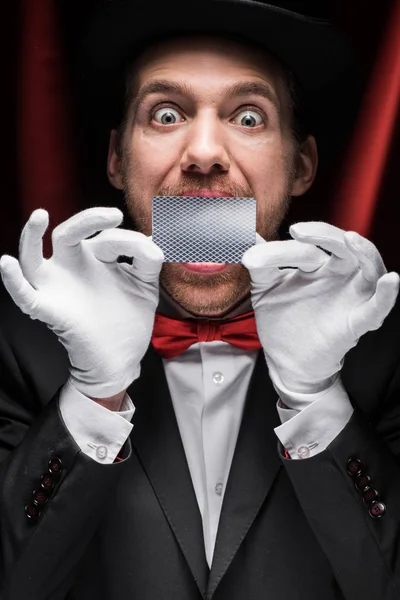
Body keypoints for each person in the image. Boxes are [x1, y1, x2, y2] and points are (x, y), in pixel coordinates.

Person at [1, 1, 400, 599]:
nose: (205, 152)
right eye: (166, 114)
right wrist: (93, 395)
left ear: (302, 166)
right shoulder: (20, 347)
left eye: (247, 117)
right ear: (117, 159)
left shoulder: (385, 354)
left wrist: (315, 400)